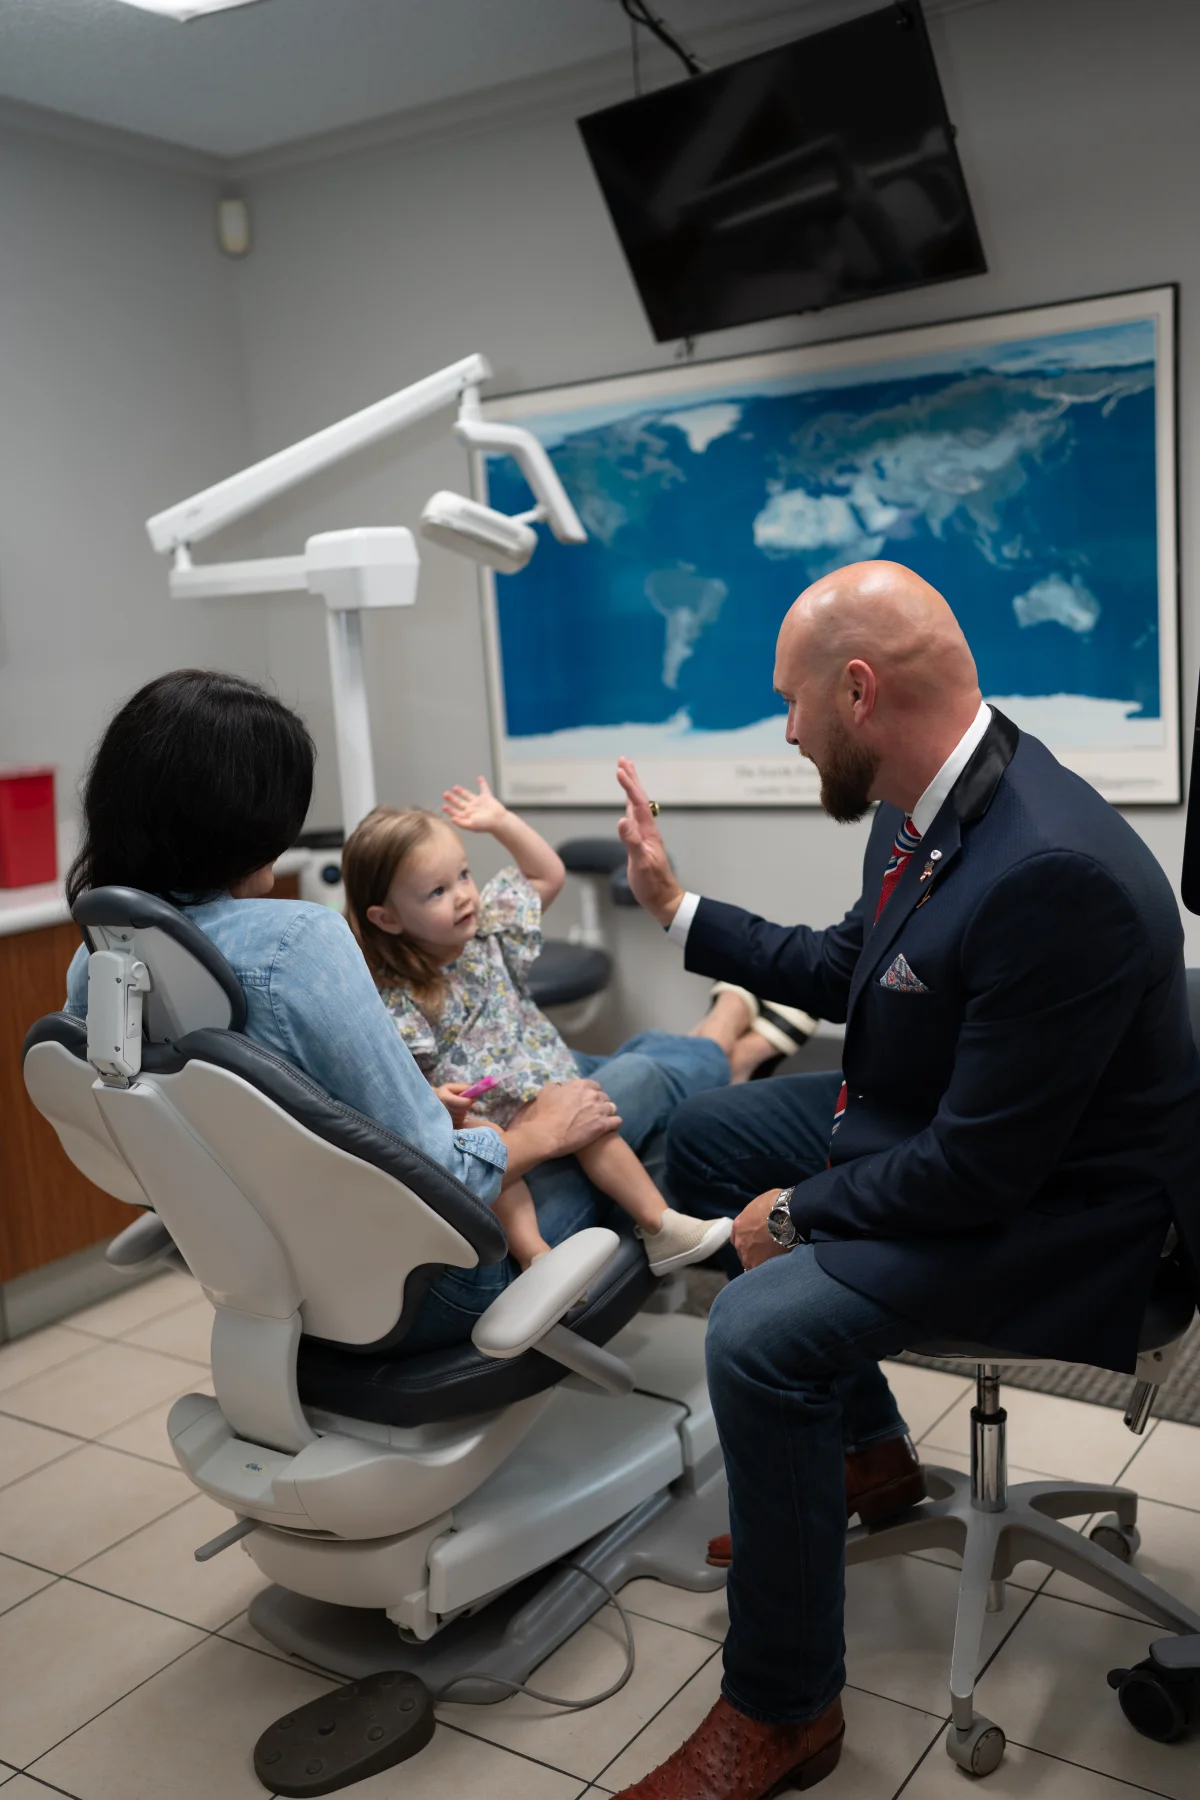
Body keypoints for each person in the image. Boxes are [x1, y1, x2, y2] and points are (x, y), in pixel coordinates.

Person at [608, 560, 1200, 1800]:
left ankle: (783, 1710)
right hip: (965, 1140)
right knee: (711, 1138)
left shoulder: (1050, 869)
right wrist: (676, 907)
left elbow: (979, 1173)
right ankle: (869, 1453)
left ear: (859, 691)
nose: (785, 727)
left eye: (792, 700)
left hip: (1063, 1218)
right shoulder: (924, 798)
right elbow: (852, 965)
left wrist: (797, 1216)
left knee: (760, 1331)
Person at [61, 670, 627, 1338]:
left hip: (282, 1279)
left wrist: (416, 1113)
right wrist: (540, 1136)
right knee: (641, 1085)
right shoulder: (297, 944)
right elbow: (444, 1176)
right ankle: (723, 1035)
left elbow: (249, 1128)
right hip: (428, 1287)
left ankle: (720, 1030)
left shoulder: (98, 963)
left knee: (620, 1074)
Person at [340, 781, 765, 1275]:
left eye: (463, 875)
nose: (462, 896)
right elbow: (406, 1089)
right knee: (492, 1150)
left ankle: (661, 1225)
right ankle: (536, 1256)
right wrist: (440, 1099)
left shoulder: (488, 932)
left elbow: (548, 873)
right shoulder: (397, 998)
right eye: (437, 891)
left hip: (546, 1083)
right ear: (387, 918)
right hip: (487, 1113)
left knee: (591, 1115)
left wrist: (502, 822)